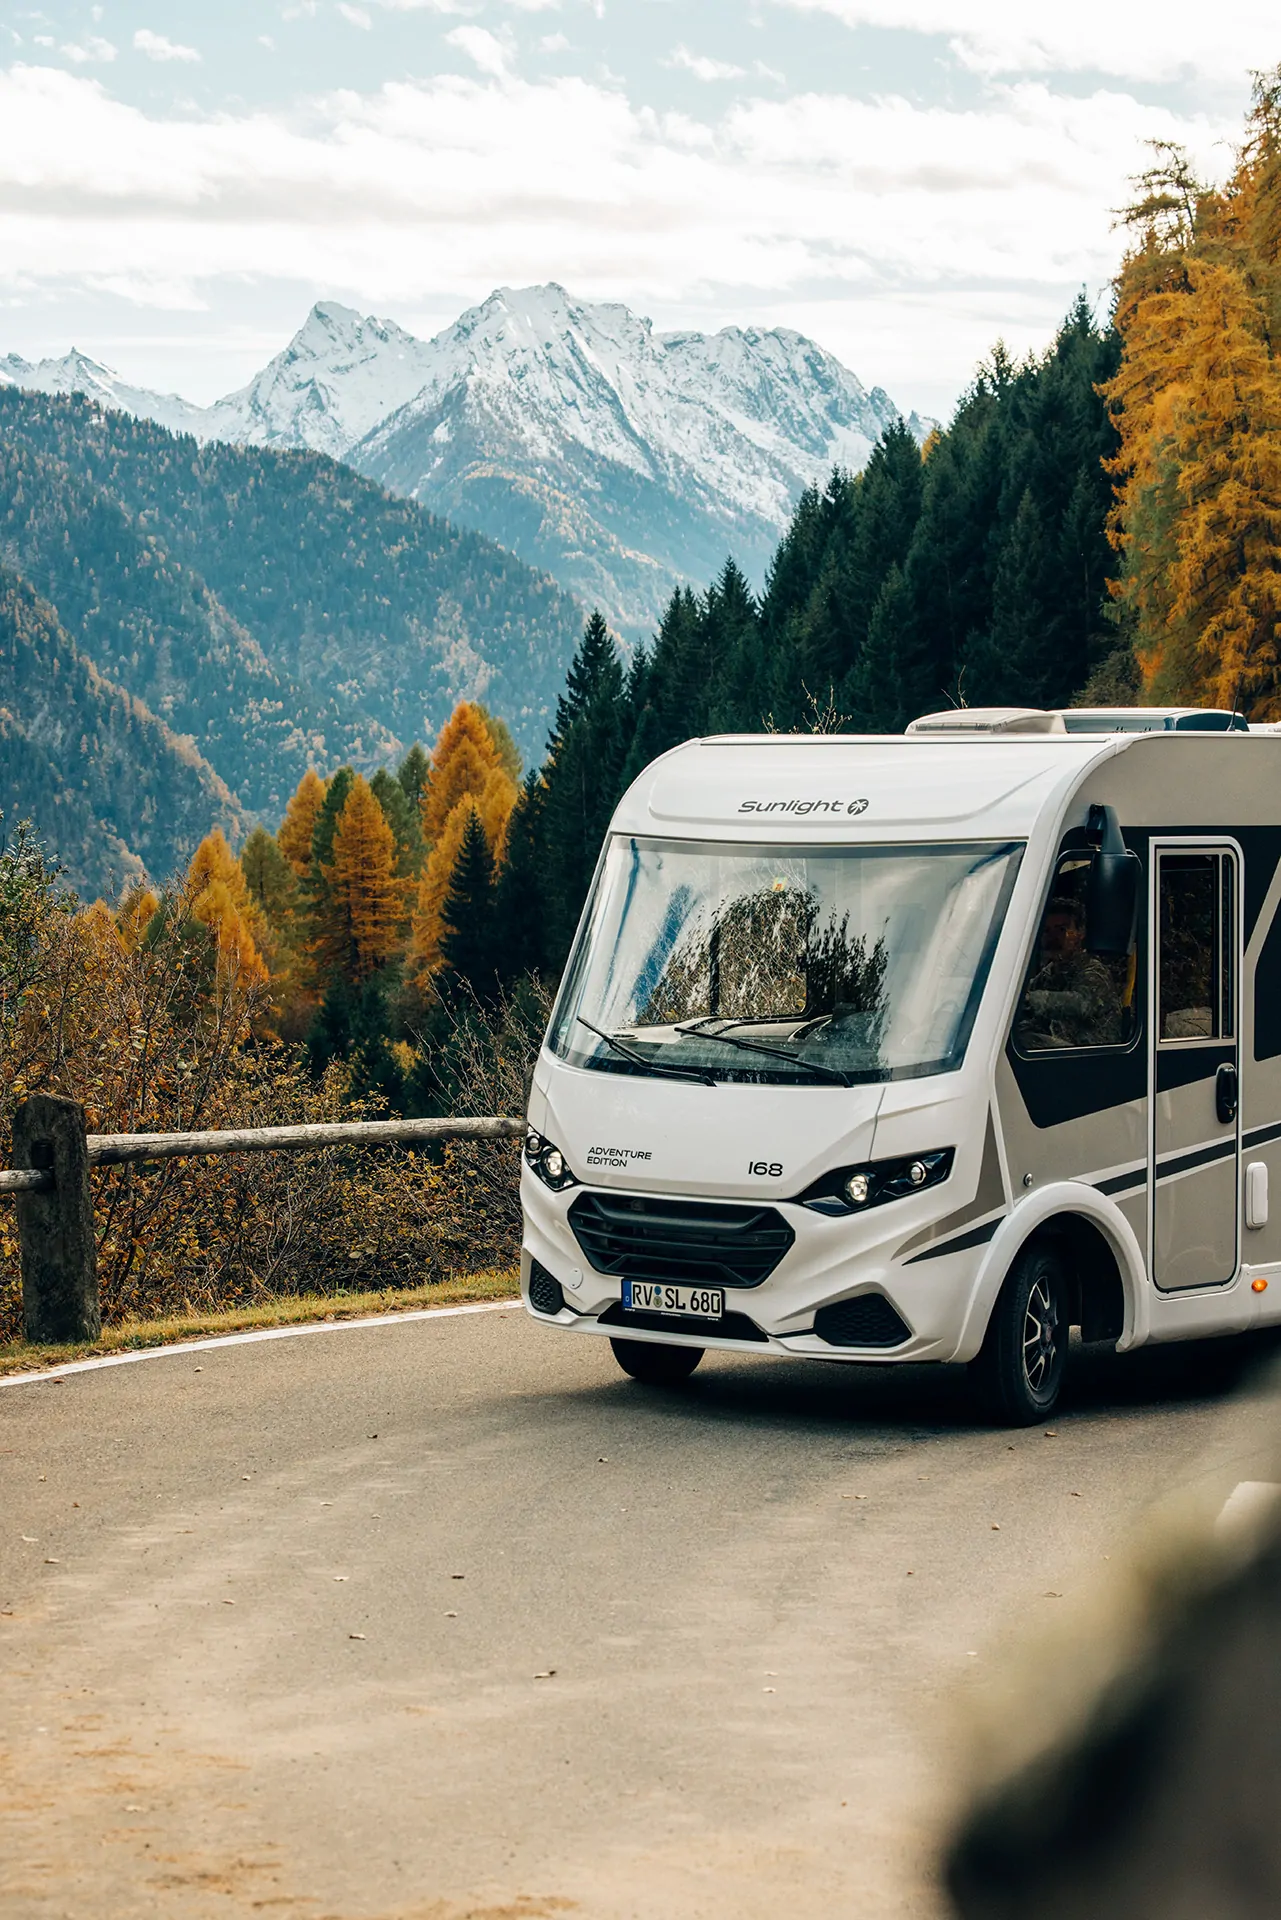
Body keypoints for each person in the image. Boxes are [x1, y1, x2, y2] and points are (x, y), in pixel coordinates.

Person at [1016, 895, 1126, 1050]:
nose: (1052, 938)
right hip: (1064, 1054)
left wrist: (1030, 1000)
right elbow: (1027, 1003)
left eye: (1061, 929)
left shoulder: (1094, 971)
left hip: (1093, 1055)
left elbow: (1081, 1003)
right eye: (1046, 930)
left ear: (1080, 933)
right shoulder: (1049, 973)